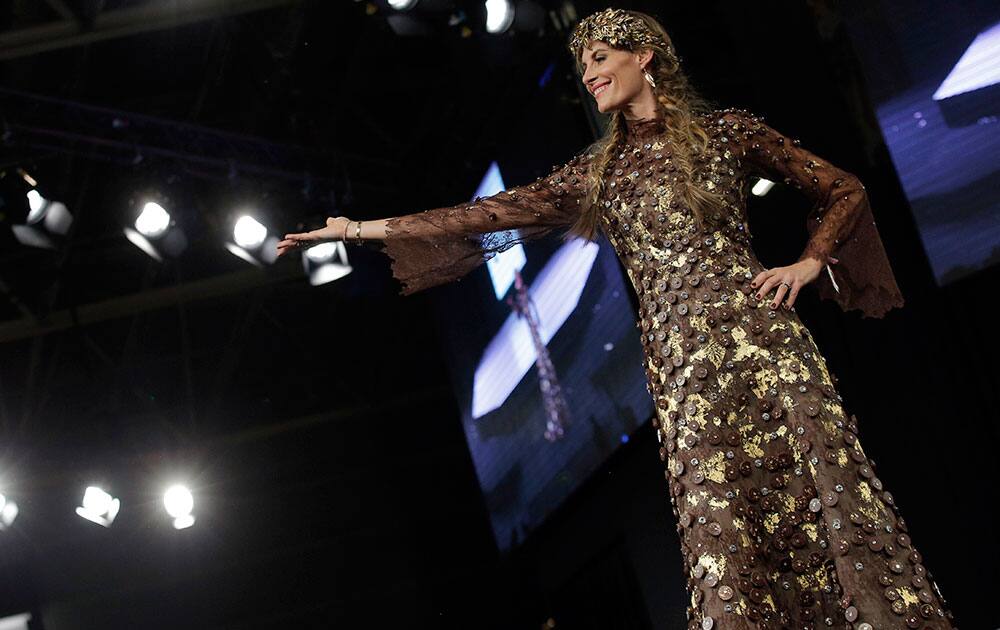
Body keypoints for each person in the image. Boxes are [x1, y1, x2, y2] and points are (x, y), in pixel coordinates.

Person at [277, 8, 956, 630]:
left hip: (766, 347)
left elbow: (844, 188)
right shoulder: (598, 174)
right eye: (583, 67)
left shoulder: (729, 132)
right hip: (685, 378)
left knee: (828, 500)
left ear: (646, 57)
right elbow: (488, 213)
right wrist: (359, 229)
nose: (592, 75)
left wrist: (809, 263)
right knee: (726, 535)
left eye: (601, 58)